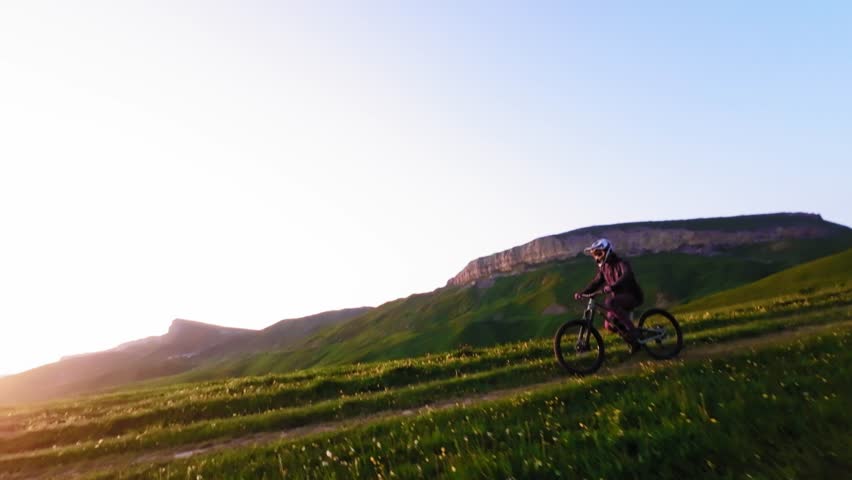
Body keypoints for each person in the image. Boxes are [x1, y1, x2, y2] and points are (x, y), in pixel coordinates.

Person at [573, 238, 645, 353]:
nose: (597, 257)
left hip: (632, 296)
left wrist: (613, 286)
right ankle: (633, 342)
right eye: (595, 255)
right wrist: (583, 293)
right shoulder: (604, 268)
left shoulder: (621, 263)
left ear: (607, 251)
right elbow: (596, 282)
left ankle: (633, 332)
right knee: (609, 325)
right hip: (619, 299)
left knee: (610, 302)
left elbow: (627, 275)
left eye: (599, 253)